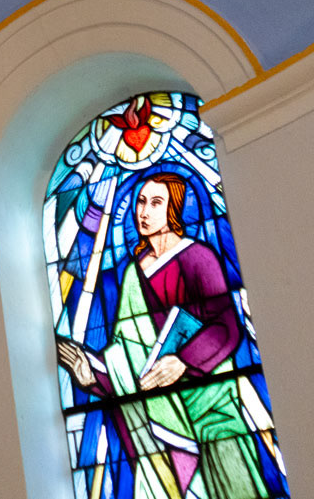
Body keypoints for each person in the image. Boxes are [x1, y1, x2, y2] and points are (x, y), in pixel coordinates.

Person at [55, 173, 272, 499]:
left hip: (210, 407)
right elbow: (127, 354)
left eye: (156, 203)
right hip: (157, 416)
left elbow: (226, 326)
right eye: (141, 202)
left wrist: (183, 362)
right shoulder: (133, 273)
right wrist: (94, 377)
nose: (144, 212)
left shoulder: (197, 257)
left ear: (174, 209)